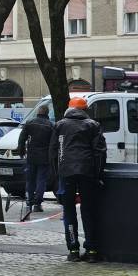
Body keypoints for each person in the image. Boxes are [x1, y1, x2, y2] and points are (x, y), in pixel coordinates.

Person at [49, 97, 106, 263]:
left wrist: (56, 175)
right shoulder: (93, 125)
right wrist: (98, 175)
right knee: (88, 211)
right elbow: (100, 152)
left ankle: (73, 249)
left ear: (69, 109)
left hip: (66, 172)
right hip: (87, 172)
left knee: (69, 212)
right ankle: (92, 251)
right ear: (85, 110)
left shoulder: (60, 125)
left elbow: (53, 153)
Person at [18, 104, 54, 212]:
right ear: (47, 113)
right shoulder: (50, 125)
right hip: (44, 157)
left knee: (30, 179)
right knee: (41, 180)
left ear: (38, 112)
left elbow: (21, 139)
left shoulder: (30, 123)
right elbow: (53, 143)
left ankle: (29, 200)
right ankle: (37, 203)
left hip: (32, 156)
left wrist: (21, 151)